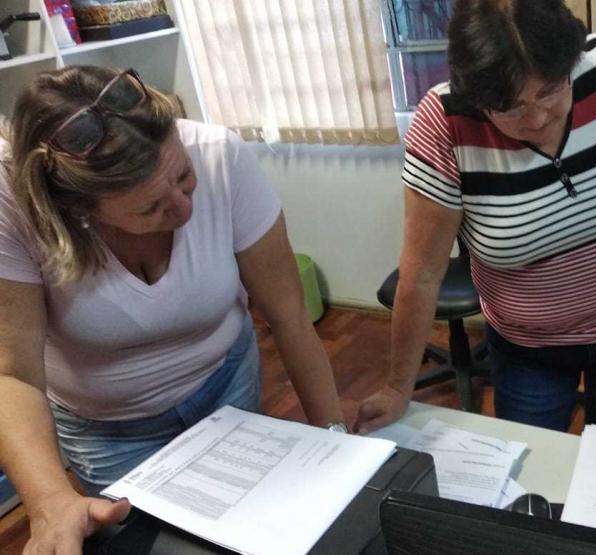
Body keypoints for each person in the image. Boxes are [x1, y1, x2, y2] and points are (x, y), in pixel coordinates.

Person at [0, 66, 346, 552]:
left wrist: (336, 441)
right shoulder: (13, 203)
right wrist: (49, 503)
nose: (184, 210)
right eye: (149, 209)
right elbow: (14, 375)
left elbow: (289, 315)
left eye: (184, 177)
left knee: (245, 531)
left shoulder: (219, 155)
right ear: (78, 209)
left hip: (224, 385)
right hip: (108, 429)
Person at [356, 0, 596, 434]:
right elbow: (422, 275)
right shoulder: (445, 123)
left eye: (550, 90)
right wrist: (396, 387)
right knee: (533, 461)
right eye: (509, 107)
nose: (535, 118)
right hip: (529, 351)